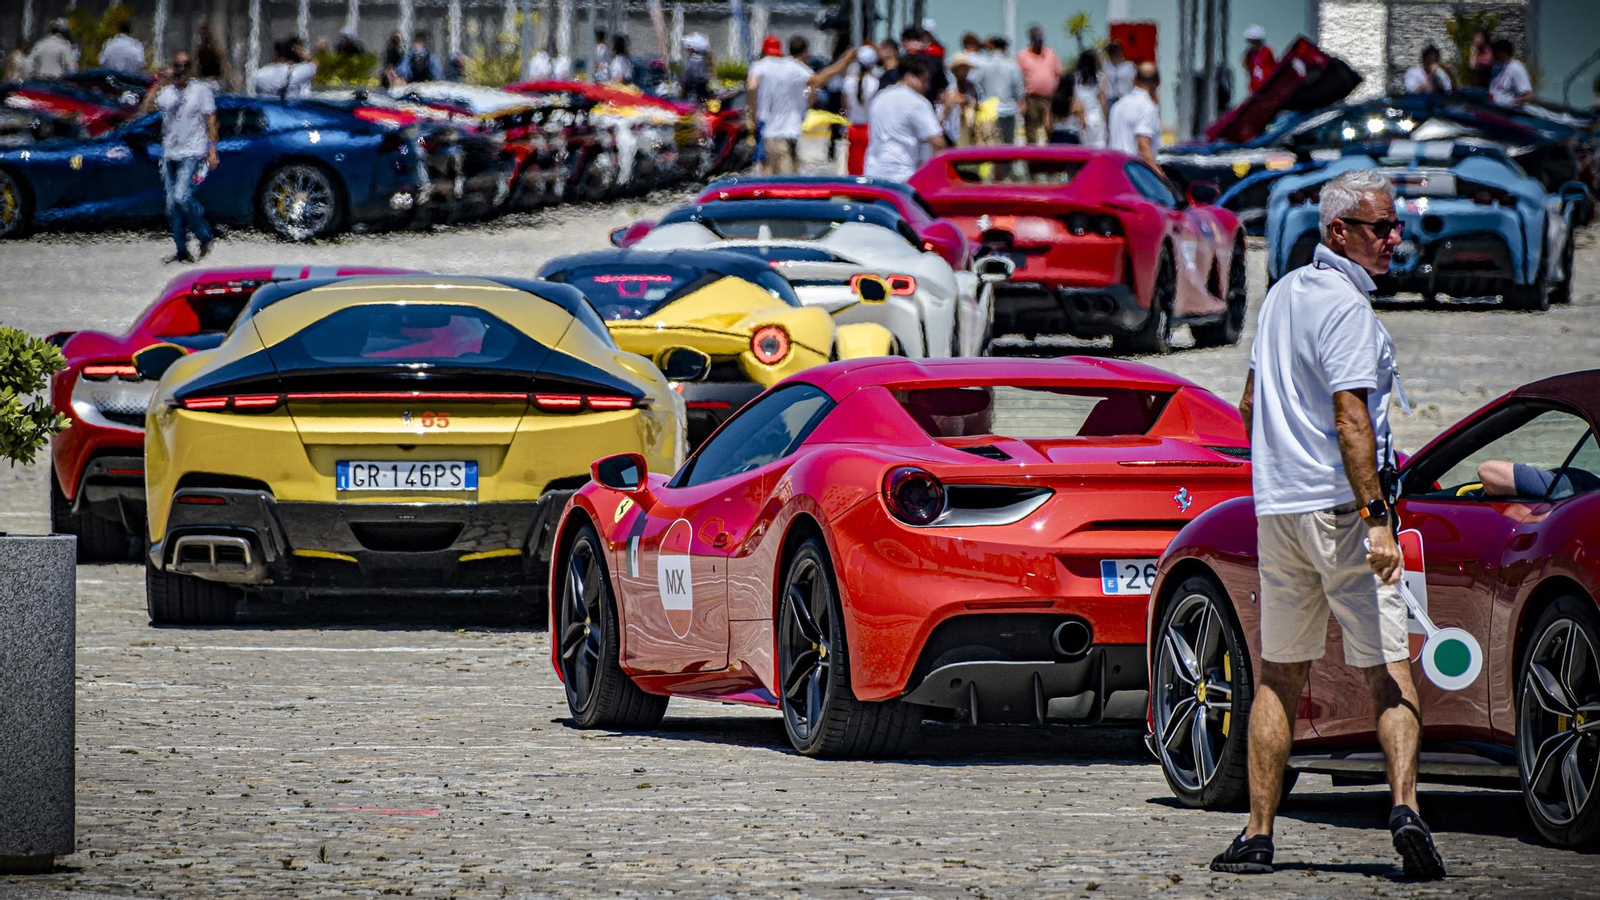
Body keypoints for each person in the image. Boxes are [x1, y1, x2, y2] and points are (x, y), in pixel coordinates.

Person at [1213, 168, 1445, 880]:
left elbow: (1250, 402)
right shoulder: (1346, 310)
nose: (1394, 239)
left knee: (1279, 675)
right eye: (1379, 228)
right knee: (1389, 671)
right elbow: (1351, 419)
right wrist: (1377, 518)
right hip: (1341, 513)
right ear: (1338, 231)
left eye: (1394, 226)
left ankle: (1257, 835)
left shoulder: (1282, 295)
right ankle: (1405, 808)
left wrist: (1275, 472)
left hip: (1277, 511)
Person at [140, 51, 218, 264]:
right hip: (170, 153)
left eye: (185, 65)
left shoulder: (200, 90)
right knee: (171, 205)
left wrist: (212, 149)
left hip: (192, 151)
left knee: (181, 196)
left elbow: (211, 119)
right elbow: (146, 109)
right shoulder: (167, 93)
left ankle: (204, 234)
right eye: (177, 65)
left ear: (191, 68)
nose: (180, 70)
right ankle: (182, 249)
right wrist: (158, 83)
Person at [746, 35, 855, 175]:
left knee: (769, 179)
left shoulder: (760, 65)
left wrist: (754, 112)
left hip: (769, 132)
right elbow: (818, 81)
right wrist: (844, 62)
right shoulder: (792, 66)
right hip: (789, 133)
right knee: (788, 183)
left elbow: (752, 85)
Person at [864, 55, 947, 182]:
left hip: (873, 173)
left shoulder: (879, 97)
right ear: (909, 76)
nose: (927, 86)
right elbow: (937, 141)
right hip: (902, 176)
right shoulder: (917, 102)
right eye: (924, 80)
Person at [1108, 62, 1162, 168]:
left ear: (1134, 80)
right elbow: (1143, 147)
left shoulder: (1118, 105)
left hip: (1115, 171)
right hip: (1134, 174)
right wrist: (1160, 176)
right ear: (1158, 82)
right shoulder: (1147, 107)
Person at [1017, 25, 1061, 144]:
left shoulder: (1050, 53)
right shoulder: (1023, 55)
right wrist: (1021, 102)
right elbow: (1018, 79)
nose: (1039, 40)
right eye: (1036, 38)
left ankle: (1053, 157)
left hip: (1050, 99)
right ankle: (1032, 159)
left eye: (1041, 38)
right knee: (1031, 129)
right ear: (1031, 39)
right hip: (1032, 99)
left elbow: (1059, 73)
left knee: (1050, 127)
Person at [975, 35, 1023, 144]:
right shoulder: (1012, 66)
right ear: (1005, 48)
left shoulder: (984, 65)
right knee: (1007, 146)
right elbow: (1019, 90)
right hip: (1008, 110)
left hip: (988, 111)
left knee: (991, 146)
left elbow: (973, 81)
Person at [843, 45, 882, 174]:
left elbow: (844, 106)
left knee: (853, 161)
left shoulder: (848, 81)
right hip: (869, 128)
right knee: (866, 161)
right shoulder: (875, 83)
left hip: (853, 127)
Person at [250, 37, 317, 100]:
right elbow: (315, 63)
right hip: (292, 109)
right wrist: (302, 53)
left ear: (276, 54)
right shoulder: (298, 72)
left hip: (266, 110)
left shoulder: (258, 75)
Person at [1067, 49, 1107, 148]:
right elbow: (1102, 101)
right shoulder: (1100, 78)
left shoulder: (1075, 79)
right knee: (1099, 147)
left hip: (1080, 118)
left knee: (1084, 149)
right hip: (1096, 116)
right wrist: (1106, 120)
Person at [1489, 39, 1533, 107]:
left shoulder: (1516, 68)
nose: (1493, 54)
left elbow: (1528, 95)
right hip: (1494, 109)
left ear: (1503, 52)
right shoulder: (1498, 67)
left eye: (1495, 51)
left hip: (1507, 112)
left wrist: (1512, 103)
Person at [194, 23, 235, 90]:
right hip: (204, 80)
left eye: (205, 34)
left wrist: (232, 82)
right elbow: (196, 66)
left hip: (216, 81)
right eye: (202, 34)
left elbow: (225, 66)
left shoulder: (216, 50)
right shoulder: (199, 50)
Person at [681, 32, 713, 103]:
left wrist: (682, 94)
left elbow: (685, 80)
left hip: (692, 96)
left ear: (694, 49)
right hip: (702, 95)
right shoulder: (704, 61)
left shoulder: (693, 61)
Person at [1243, 24, 1275, 94]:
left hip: (1267, 84)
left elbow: (1273, 66)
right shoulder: (1250, 53)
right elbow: (1246, 65)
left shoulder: (1267, 51)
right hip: (1255, 86)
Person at [1104, 41, 1136, 107]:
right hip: (1110, 98)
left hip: (1125, 97)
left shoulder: (1129, 66)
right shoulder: (1105, 65)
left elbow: (1134, 82)